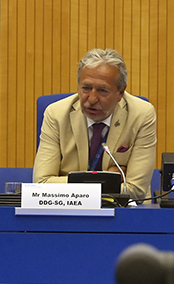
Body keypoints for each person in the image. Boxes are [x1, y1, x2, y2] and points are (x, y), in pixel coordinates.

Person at [33, 48, 157, 202]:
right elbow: (41, 184)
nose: (91, 99)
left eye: (102, 90)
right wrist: (109, 180)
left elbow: (136, 190)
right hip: (68, 209)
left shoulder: (141, 114)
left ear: (120, 93)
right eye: (86, 88)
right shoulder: (56, 114)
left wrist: (72, 184)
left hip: (124, 212)